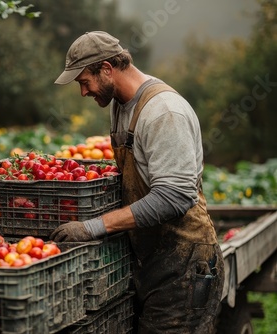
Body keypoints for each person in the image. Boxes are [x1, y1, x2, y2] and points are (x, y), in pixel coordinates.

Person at [50, 31, 224, 334]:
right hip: (154, 258)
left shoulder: (163, 112)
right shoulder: (121, 105)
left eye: (83, 81)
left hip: (184, 262)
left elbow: (174, 196)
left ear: (106, 69)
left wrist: (93, 226)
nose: (83, 92)